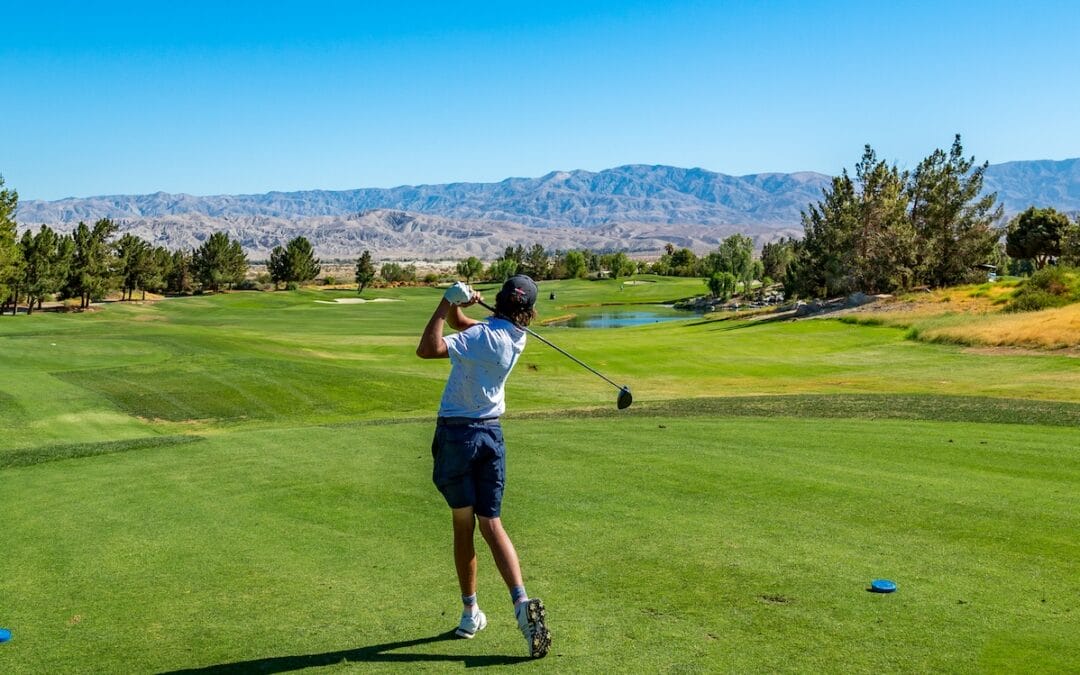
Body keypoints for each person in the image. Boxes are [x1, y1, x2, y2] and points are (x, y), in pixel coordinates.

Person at [415, 274, 552, 659]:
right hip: (491, 436)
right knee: (492, 524)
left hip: (459, 436)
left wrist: (446, 301)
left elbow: (428, 349)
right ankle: (521, 603)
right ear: (526, 310)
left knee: (463, 526)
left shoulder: (483, 338)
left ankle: (469, 612)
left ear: (501, 299)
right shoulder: (513, 337)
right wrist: (463, 305)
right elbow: (464, 325)